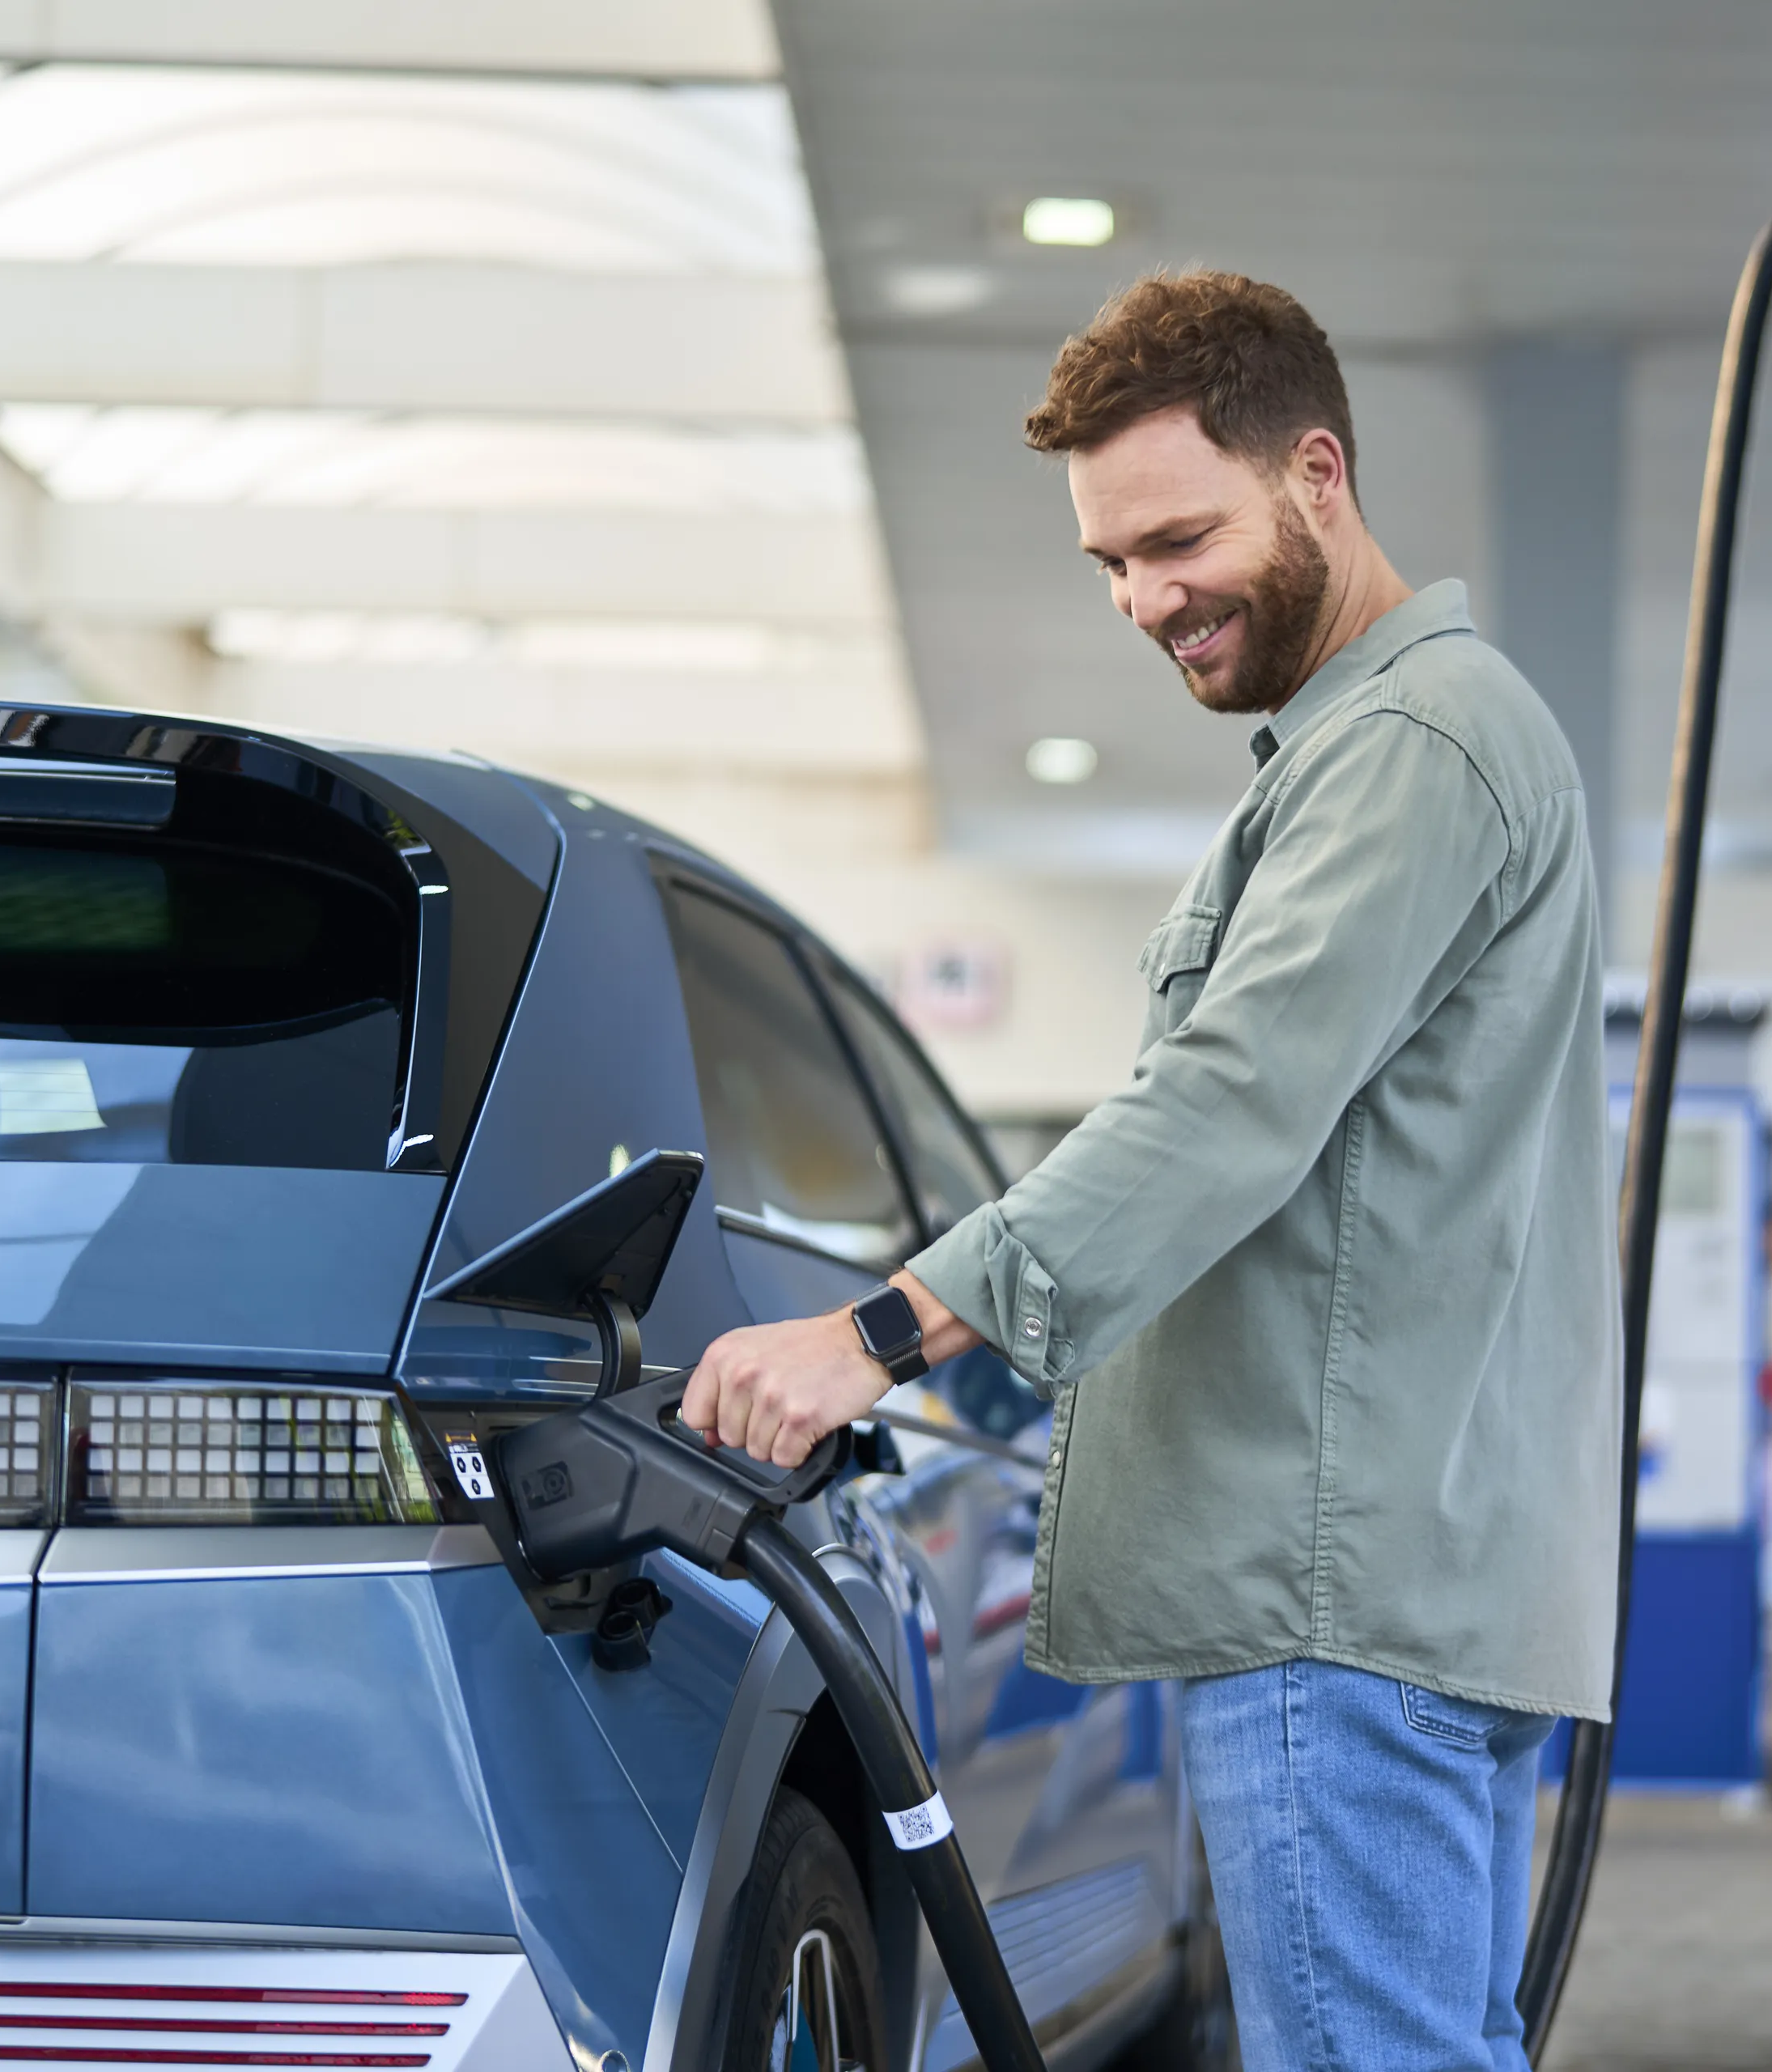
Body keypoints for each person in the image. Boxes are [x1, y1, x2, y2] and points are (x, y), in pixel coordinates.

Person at [682, 269, 1617, 2072]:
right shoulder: (1382, 748)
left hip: (1336, 1596)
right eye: (1109, 563)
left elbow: (1225, 1105)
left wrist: (876, 1331)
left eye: (1177, 538)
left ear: (1318, 473)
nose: (1144, 599)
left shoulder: (1409, 746)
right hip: (1406, 1577)